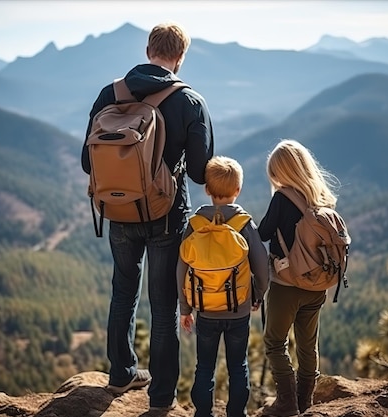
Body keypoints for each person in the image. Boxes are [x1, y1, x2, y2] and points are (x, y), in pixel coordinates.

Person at [80, 22, 214, 410]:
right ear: (181, 55)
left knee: (123, 292)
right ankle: (161, 398)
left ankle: (120, 375)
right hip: (166, 215)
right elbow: (200, 172)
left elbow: (88, 162)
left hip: (118, 210)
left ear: (147, 50)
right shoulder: (189, 102)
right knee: (163, 306)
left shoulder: (111, 94)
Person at [177, 156, 269, 417]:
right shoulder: (243, 224)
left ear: (207, 189)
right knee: (238, 366)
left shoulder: (195, 224)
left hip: (205, 310)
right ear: (237, 190)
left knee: (204, 366)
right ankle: (236, 414)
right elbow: (261, 267)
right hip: (238, 309)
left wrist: (185, 308)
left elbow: (181, 269)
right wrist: (258, 295)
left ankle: (203, 413)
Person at [257, 139, 339, 416]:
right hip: (318, 285)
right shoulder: (322, 198)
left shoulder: (281, 198)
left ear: (282, 172)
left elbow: (264, 233)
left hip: (287, 285)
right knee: (308, 345)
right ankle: (306, 402)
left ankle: (287, 402)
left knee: (275, 342)